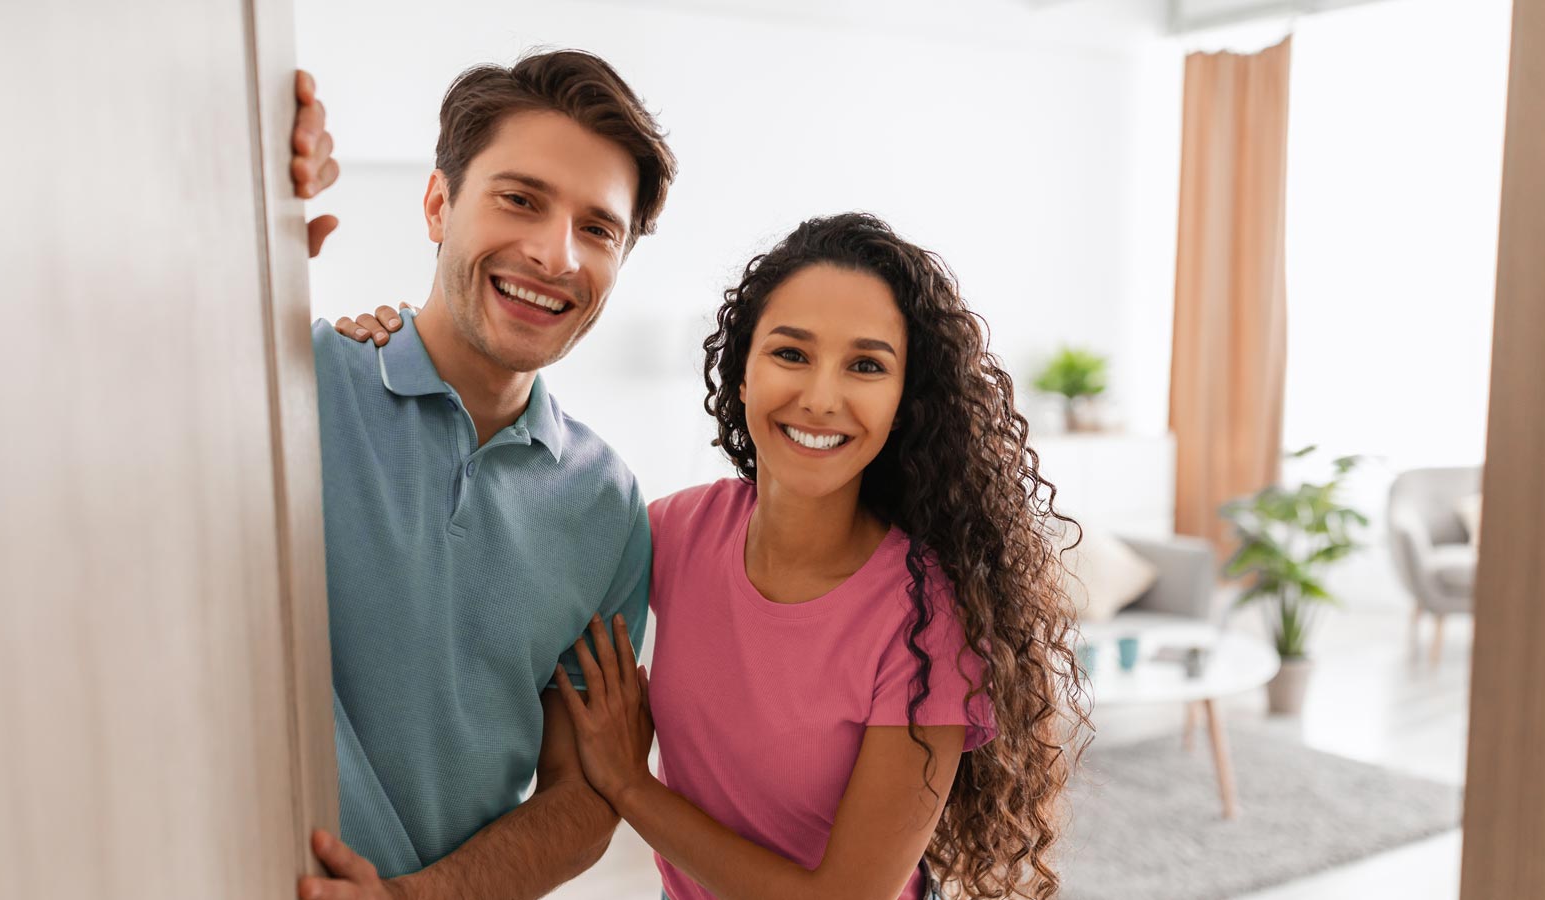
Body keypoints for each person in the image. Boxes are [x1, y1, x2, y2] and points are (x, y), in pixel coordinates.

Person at [340, 213, 1090, 899]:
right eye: (791, 352)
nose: (822, 397)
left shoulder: (929, 622)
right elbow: (520, 551)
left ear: (906, 400)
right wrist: (385, 351)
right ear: (741, 371)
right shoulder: (674, 534)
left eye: (866, 366)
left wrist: (633, 789)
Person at [297, 50, 679, 900]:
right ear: (439, 204)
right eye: (520, 199)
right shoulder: (294, 386)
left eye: (598, 229)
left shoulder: (608, 506)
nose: (555, 255)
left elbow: (585, 796)